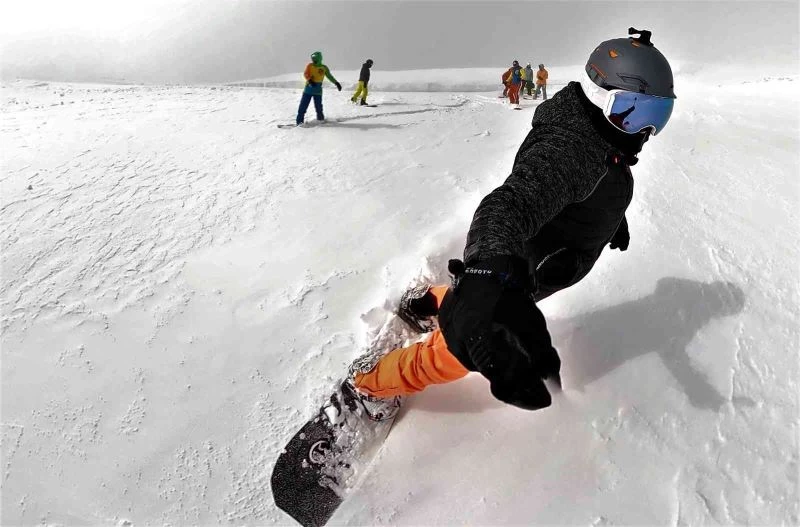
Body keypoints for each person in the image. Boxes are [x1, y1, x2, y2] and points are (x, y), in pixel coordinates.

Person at [345, 28, 676, 417]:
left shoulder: (603, 138)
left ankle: (430, 301)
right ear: (601, 98)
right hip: (522, 269)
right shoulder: (573, 150)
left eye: (658, 116)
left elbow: (597, 184)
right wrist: (488, 272)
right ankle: (370, 383)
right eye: (636, 113)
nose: (646, 132)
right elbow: (509, 205)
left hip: (549, 260)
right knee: (466, 347)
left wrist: (611, 219)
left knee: (477, 301)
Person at [296, 51, 342, 126]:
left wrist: (336, 83)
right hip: (308, 90)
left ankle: (320, 120)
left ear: (319, 58)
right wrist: (310, 80)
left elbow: (330, 76)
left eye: (315, 59)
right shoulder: (310, 65)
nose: (313, 60)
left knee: (319, 107)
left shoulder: (324, 68)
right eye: (312, 59)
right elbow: (306, 73)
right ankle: (299, 122)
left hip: (318, 91)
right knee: (303, 107)